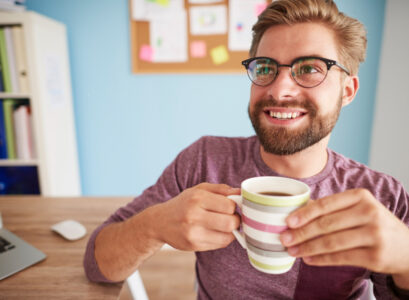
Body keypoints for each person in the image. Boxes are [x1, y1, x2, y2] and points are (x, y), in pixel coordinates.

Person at [84, 0, 409, 299]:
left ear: (347, 90)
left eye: (310, 68)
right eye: (266, 68)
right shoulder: (204, 161)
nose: (280, 90)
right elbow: (99, 266)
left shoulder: (381, 197)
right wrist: (152, 226)